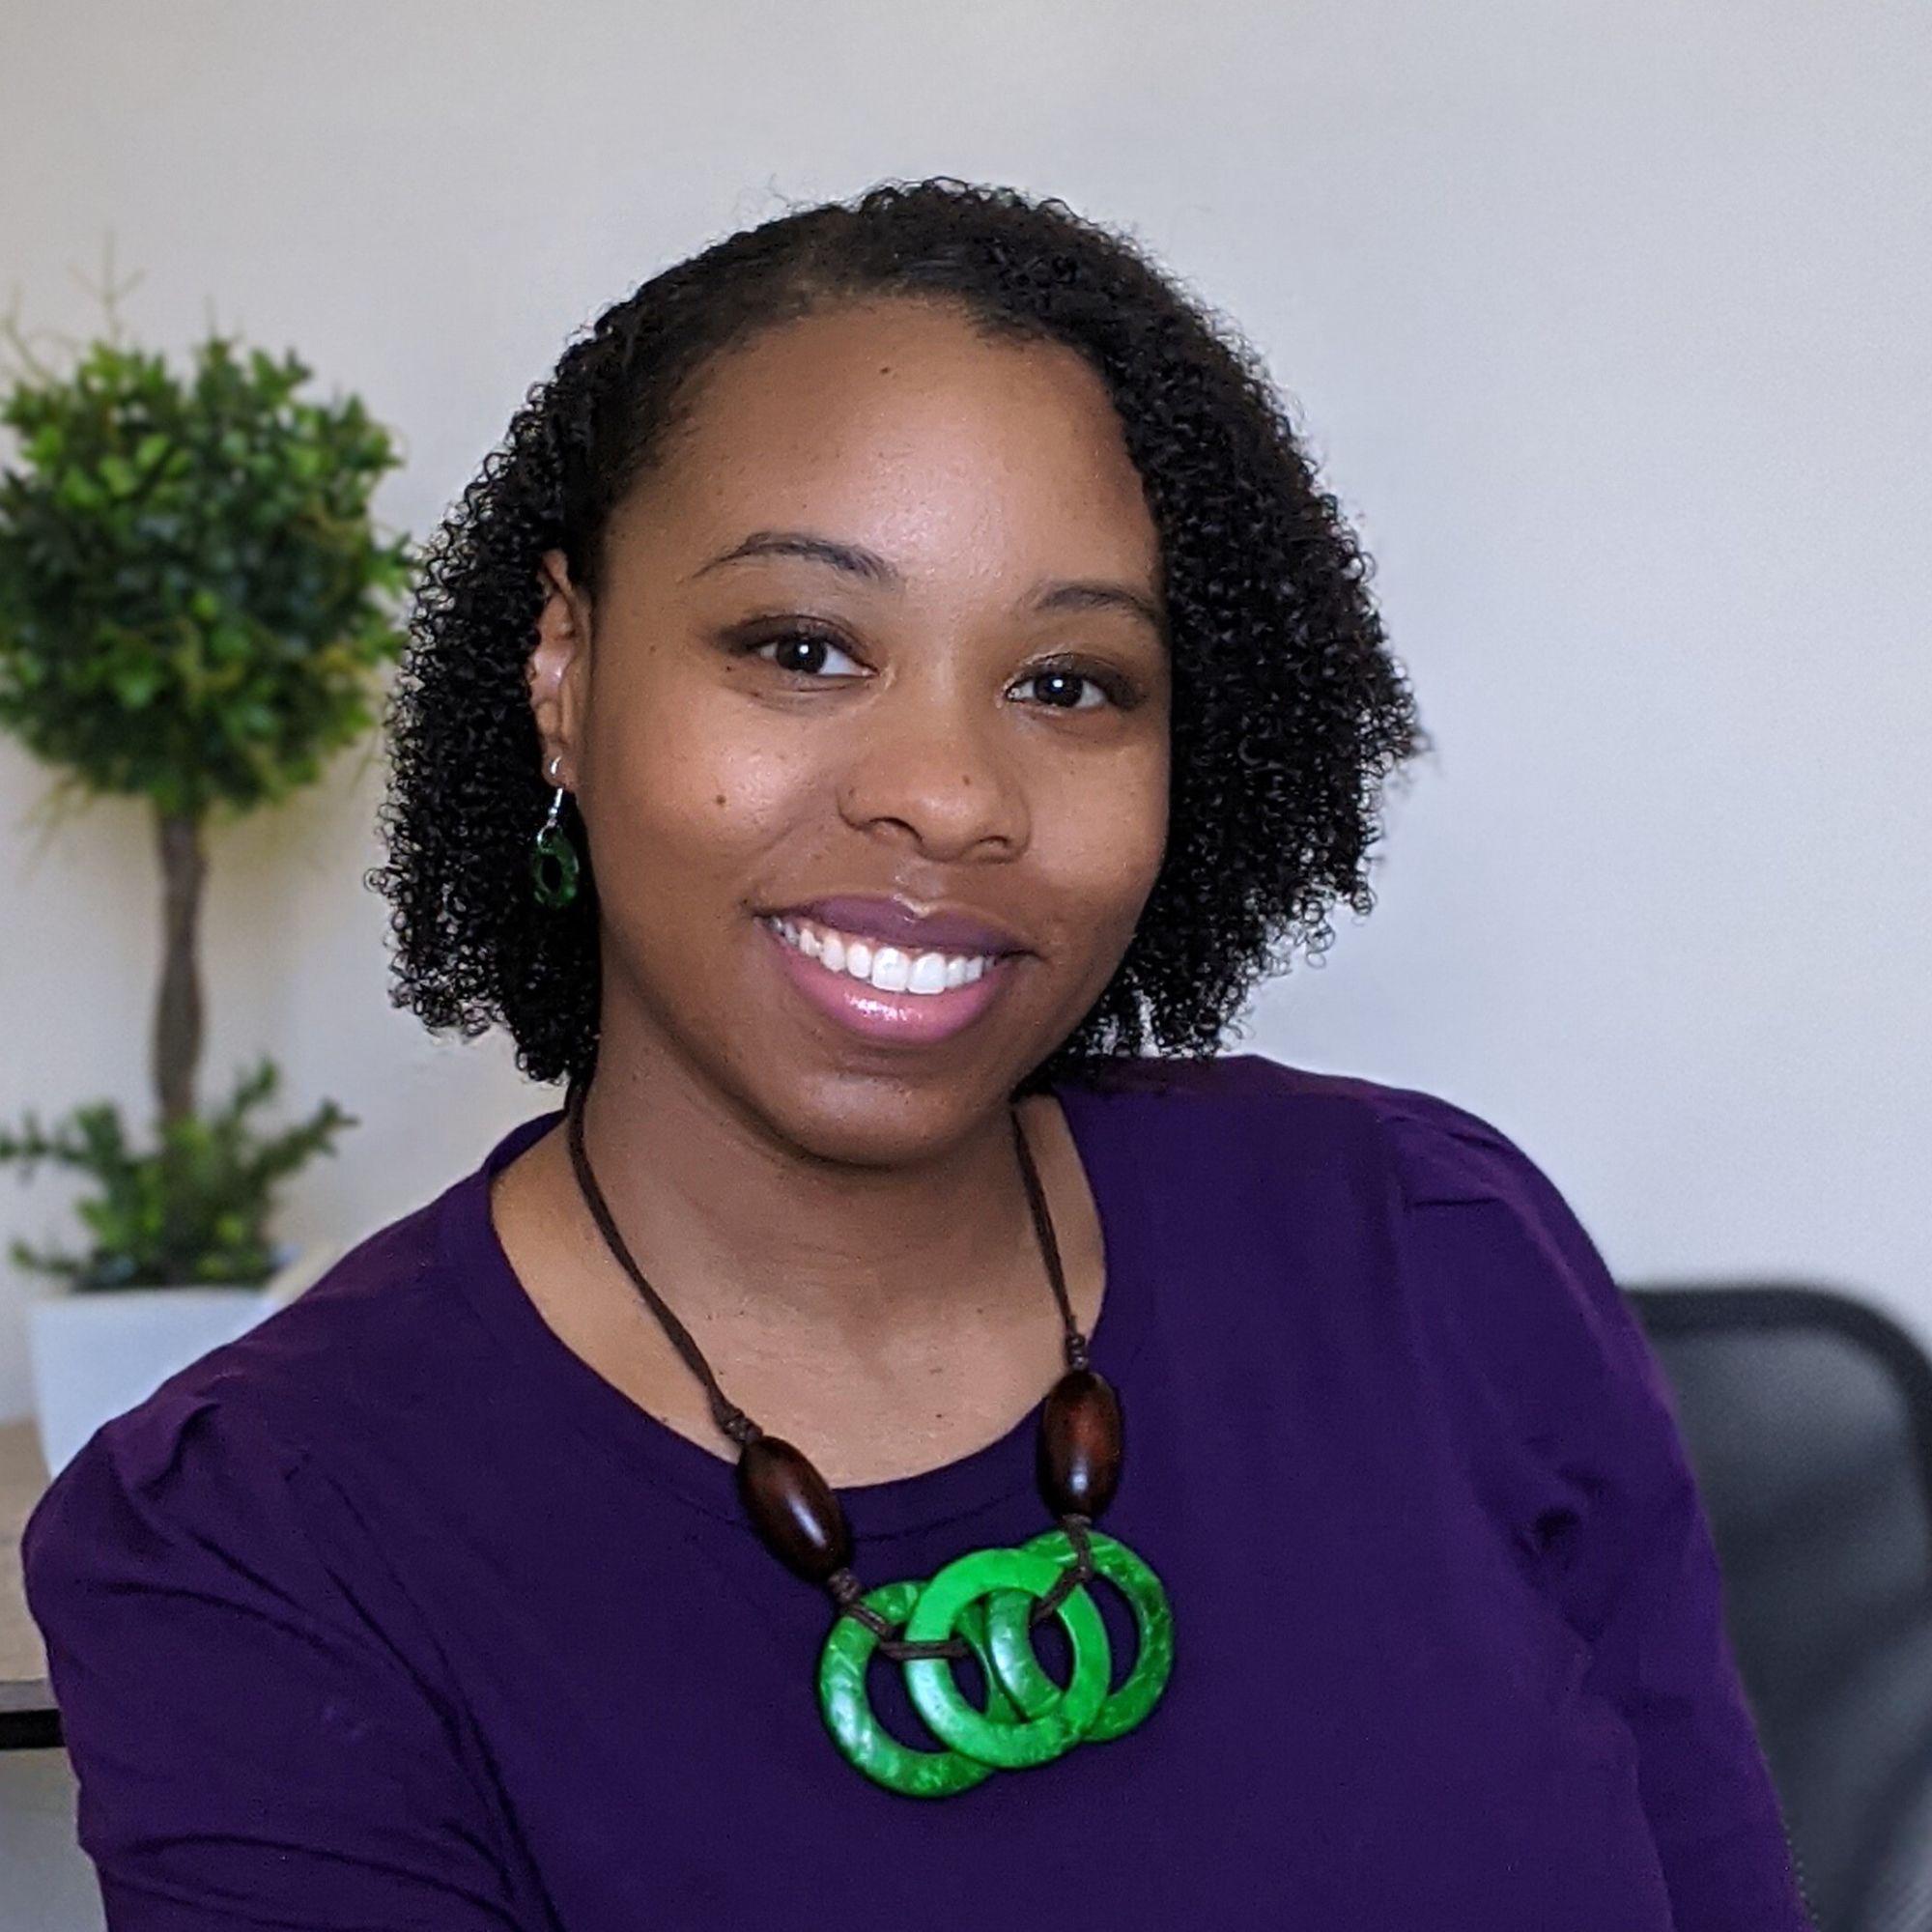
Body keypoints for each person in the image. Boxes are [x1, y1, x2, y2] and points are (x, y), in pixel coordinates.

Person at [23, 178, 1812, 1929]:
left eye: (1070, 683)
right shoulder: (255, 1548)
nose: (951, 797)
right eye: (802, 648)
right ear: (564, 668)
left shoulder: (1438, 1249)